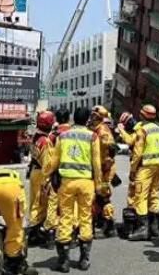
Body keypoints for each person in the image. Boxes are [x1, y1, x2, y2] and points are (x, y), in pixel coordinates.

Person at [44, 107, 102, 273]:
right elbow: (96, 164)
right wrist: (98, 185)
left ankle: (63, 261)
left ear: (73, 119)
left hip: (67, 183)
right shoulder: (93, 136)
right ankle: (84, 260)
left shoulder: (63, 136)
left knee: (66, 217)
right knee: (85, 217)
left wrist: (46, 176)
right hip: (86, 183)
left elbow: (54, 161)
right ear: (87, 120)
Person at [127, 105, 159, 241]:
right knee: (154, 194)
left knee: (140, 196)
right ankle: (154, 228)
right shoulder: (158, 128)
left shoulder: (142, 130)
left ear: (142, 115)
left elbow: (137, 153)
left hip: (146, 167)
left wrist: (133, 170)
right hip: (158, 165)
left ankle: (142, 228)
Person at [43, 109, 73, 247]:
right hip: (72, 173)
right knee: (71, 204)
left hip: (55, 173)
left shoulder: (52, 136)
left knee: (53, 203)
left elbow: (49, 158)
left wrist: (47, 176)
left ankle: (50, 234)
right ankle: (71, 232)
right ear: (68, 118)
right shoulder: (75, 134)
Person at [27, 111, 55, 247]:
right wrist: (48, 181)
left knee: (35, 202)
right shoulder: (45, 141)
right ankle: (34, 233)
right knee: (40, 203)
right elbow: (47, 164)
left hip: (35, 172)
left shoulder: (36, 138)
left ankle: (34, 231)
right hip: (41, 174)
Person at [89, 106, 117, 238]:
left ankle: (109, 224)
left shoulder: (102, 130)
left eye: (93, 116)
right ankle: (100, 221)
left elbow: (111, 146)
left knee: (104, 197)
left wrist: (108, 161)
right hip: (98, 168)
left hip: (104, 168)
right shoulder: (96, 129)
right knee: (98, 197)